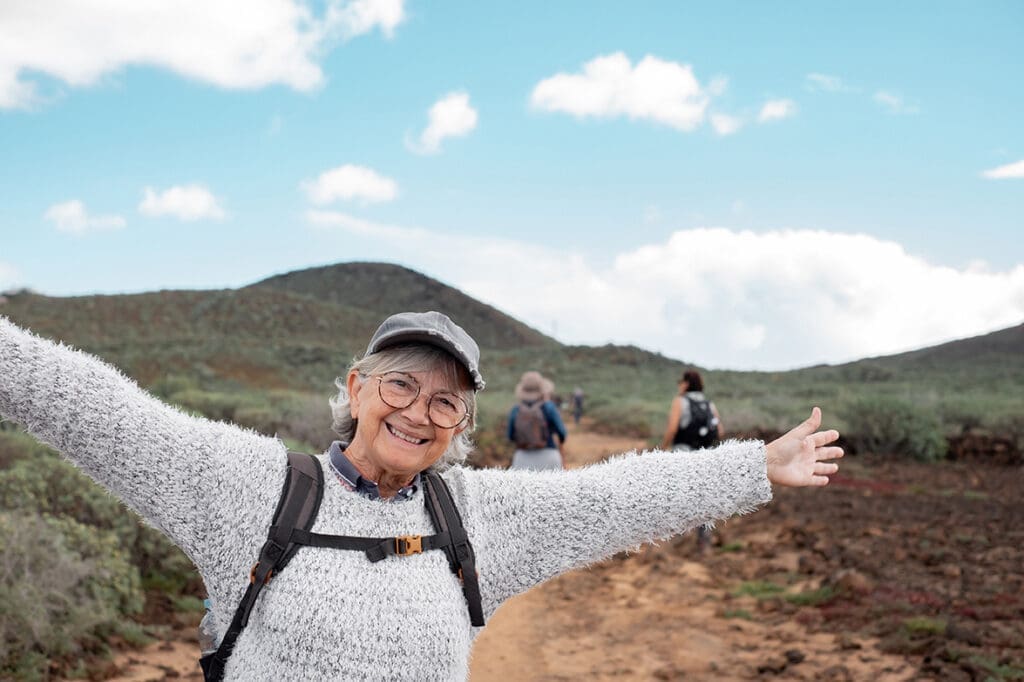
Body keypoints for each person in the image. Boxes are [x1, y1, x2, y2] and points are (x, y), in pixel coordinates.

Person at [0, 311, 843, 680]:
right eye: (402, 386)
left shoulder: (472, 515)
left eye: (446, 401)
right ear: (360, 386)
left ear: (463, 423)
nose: (419, 412)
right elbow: (97, 407)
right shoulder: (248, 486)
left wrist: (748, 468)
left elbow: (611, 499)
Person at [661, 368, 726, 551]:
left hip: (682, 455)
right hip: (703, 456)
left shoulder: (679, 401)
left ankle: (679, 539)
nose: (679, 385)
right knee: (702, 496)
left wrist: (661, 449)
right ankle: (704, 540)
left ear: (686, 383)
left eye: (680, 382)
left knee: (678, 494)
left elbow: (672, 429)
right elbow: (720, 431)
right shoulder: (709, 404)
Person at [507, 370, 567, 470]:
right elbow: (562, 433)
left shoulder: (516, 410)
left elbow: (510, 436)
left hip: (522, 458)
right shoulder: (549, 407)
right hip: (549, 456)